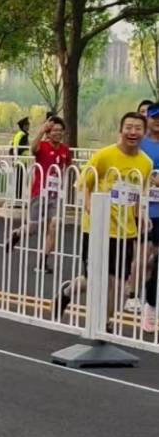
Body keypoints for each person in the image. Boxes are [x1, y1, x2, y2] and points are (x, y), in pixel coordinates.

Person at [55, 112, 151, 323]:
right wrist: (88, 203)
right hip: (97, 227)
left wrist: (140, 217)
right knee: (94, 279)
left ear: (144, 132)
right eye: (128, 127)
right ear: (120, 130)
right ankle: (67, 292)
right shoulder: (104, 156)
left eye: (137, 128)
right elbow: (83, 183)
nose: (132, 132)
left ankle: (104, 323)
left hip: (125, 231)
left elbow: (139, 194)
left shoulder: (146, 163)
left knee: (117, 282)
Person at [11, 116, 71, 272]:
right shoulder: (42, 146)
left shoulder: (65, 150)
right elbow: (33, 149)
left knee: (54, 225)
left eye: (60, 130)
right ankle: (17, 234)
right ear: (48, 132)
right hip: (39, 192)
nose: (57, 133)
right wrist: (40, 131)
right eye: (54, 130)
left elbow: (68, 167)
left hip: (55, 195)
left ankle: (42, 262)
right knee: (33, 228)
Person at [137, 103, 159, 332]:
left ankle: (150, 306)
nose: (158, 121)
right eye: (154, 117)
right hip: (141, 210)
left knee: (155, 259)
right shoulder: (139, 144)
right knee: (143, 259)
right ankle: (130, 294)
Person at [10, 115, 31, 202]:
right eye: (27, 125)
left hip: (17, 160)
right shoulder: (23, 135)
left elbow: (12, 147)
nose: (29, 126)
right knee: (20, 181)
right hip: (21, 161)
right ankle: (19, 199)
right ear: (24, 126)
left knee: (18, 180)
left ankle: (18, 198)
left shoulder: (18, 134)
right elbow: (20, 147)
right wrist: (27, 147)